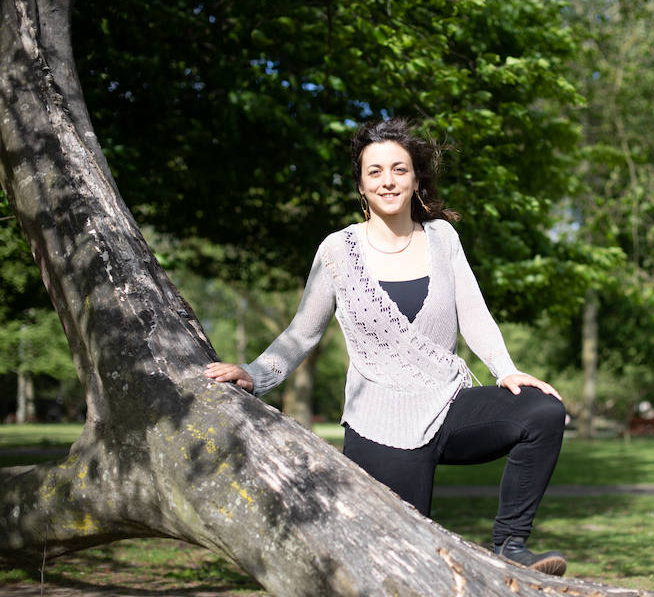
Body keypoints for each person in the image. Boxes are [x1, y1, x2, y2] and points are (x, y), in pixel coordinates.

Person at [205, 118, 567, 575]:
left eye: (399, 169)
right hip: (379, 422)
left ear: (415, 178)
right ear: (361, 184)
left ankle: (511, 546)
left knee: (542, 411)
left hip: (448, 405)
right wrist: (254, 374)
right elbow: (303, 332)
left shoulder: (443, 238)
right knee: (405, 565)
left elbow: (474, 314)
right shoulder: (338, 250)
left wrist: (505, 369)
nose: (388, 181)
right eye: (374, 171)